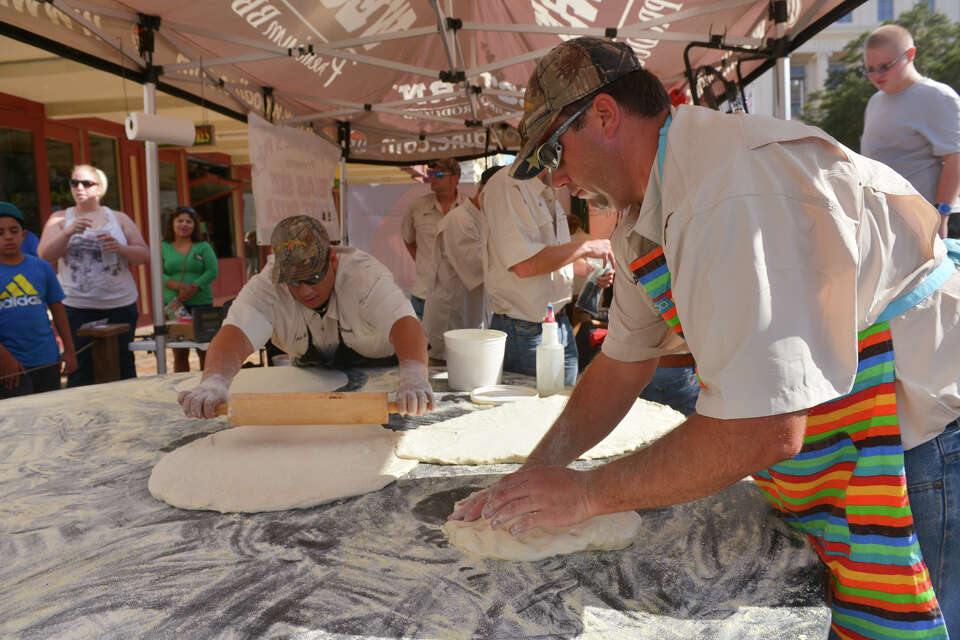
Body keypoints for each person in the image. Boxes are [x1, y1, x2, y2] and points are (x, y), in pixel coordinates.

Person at [450, 37, 960, 639]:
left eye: (556, 153)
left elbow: (765, 429)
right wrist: (536, 477)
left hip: (916, 432)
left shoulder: (730, 189)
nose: (558, 178)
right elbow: (621, 365)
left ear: (606, 117)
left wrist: (585, 495)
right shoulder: (645, 217)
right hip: (833, 428)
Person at [178, 215, 433, 419]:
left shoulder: (365, 277)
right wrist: (214, 381)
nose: (305, 291)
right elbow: (235, 334)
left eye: (313, 277)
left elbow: (405, 324)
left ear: (332, 260)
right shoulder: (266, 286)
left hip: (383, 376)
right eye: (293, 282)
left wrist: (413, 376)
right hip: (314, 377)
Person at [481, 164, 614, 386]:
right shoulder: (507, 185)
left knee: (560, 409)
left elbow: (551, 261)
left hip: (559, 324)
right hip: (524, 329)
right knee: (531, 415)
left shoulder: (547, 190)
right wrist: (586, 247)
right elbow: (524, 265)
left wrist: (591, 271)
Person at [37, 164, 149, 387]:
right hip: (77, 306)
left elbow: (144, 256)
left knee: (123, 364)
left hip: (119, 304)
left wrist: (121, 248)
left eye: (86, 183)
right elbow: (44, 255)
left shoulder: (118, 218)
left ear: (100, 189)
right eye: (74, 182)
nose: (79, 187)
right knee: (80, 368)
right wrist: (68, 232)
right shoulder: (60, 219)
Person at [861, 24, 960, 239]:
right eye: (870, 68)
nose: (876, 75)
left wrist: (941, 216)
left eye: (885, 66)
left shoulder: (938, 97)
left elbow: (956, 159)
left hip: (929, 224)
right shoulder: (875, 101)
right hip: (887, 223)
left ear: (910, 55)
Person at [422, 165, 502, 360]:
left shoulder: (482, 219)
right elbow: (480, 268)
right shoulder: (459, 221)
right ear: (488, 190)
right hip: (451, 320)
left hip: (470, 317)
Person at [0, 202, 76, 398]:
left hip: (46, 359)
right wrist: (4, 357)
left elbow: (58, 310)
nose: (8, 236)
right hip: (10, 367)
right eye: (0, 232)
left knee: (50, 416)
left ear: (23, 235)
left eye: (13, 230)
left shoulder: (42, 268)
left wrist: (69, 350)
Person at [402, 158, 466, 319]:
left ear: (455, 178)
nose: (433, 178)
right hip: (424, 294)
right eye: (431, 174)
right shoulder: (417, 206)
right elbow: (408, 240)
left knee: (456, 344)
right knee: (423, 344)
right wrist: (424, 262)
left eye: (439, 174)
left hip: (459, 296)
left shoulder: (469, 208)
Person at [162, 205, 219, 372]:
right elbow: (159, 273)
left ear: (195, 225)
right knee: (179, 352)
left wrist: (194, 287)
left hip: (201, 304)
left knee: (204, 349)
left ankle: (206, 386)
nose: (184, 224)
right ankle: (181, 387)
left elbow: (212, 271)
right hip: (174, 305)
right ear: (172, 223)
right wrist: (180, 287)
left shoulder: (203, 246)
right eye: (180, 220)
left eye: (189, 221)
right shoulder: (163, 246)